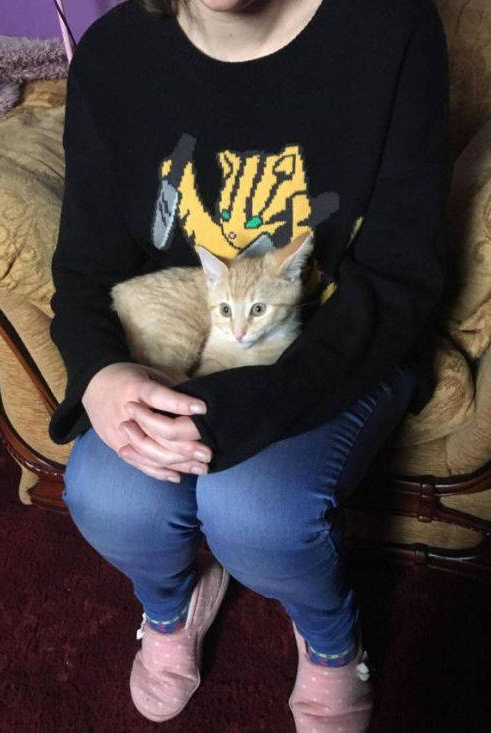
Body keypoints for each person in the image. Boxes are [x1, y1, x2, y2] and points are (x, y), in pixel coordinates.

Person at [48, 0, 451, 729]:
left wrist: (253, 408)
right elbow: (83, 270)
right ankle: (171, 604)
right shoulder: (111, 56)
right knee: (107, 496)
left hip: (339, 345)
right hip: (193, 338)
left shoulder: (393, 27)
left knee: (255, 511)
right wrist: (101, 372)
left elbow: (401, 281)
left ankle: (331, 638)